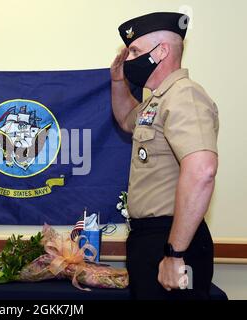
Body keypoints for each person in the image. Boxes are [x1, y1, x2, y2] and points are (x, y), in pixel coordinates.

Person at [110, 12, 219, 299]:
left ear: (161, 52)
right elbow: (125, 120)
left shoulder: (185, 95)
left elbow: (202, 171)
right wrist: (118, 81)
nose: (129, 58)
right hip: (151, 239)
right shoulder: (157, 101)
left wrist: (174, 253)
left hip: (173, 239)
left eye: (135, 51)